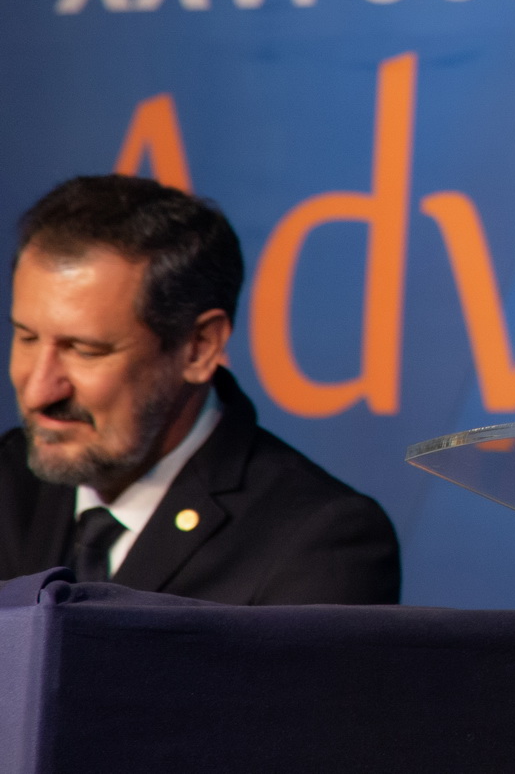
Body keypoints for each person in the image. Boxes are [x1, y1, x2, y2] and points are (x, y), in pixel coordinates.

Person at [0, 174, 399, 603]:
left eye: (85, 350)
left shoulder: (318, 543)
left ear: (199, 347)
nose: (39, 390)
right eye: (27, 337)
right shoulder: (7, 482)